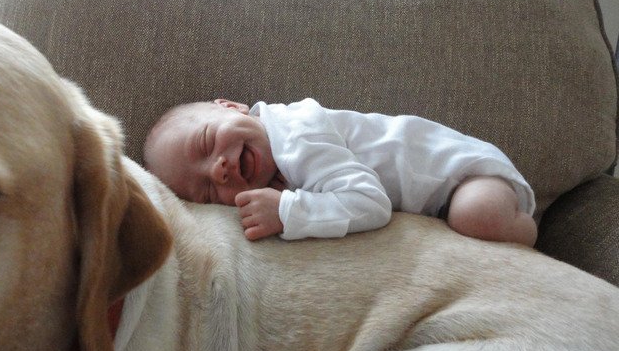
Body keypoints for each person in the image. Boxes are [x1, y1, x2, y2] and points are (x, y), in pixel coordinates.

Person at [143, 97, 537, 246]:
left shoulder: (296, 135)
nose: (219, 169)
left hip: (463, 174)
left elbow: (371, 203)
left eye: (207, 140)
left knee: (476, 217)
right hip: (439, 199)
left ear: (232, 106)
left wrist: (288, 212)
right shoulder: (273, 162)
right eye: (209, 193)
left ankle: (531, 227)